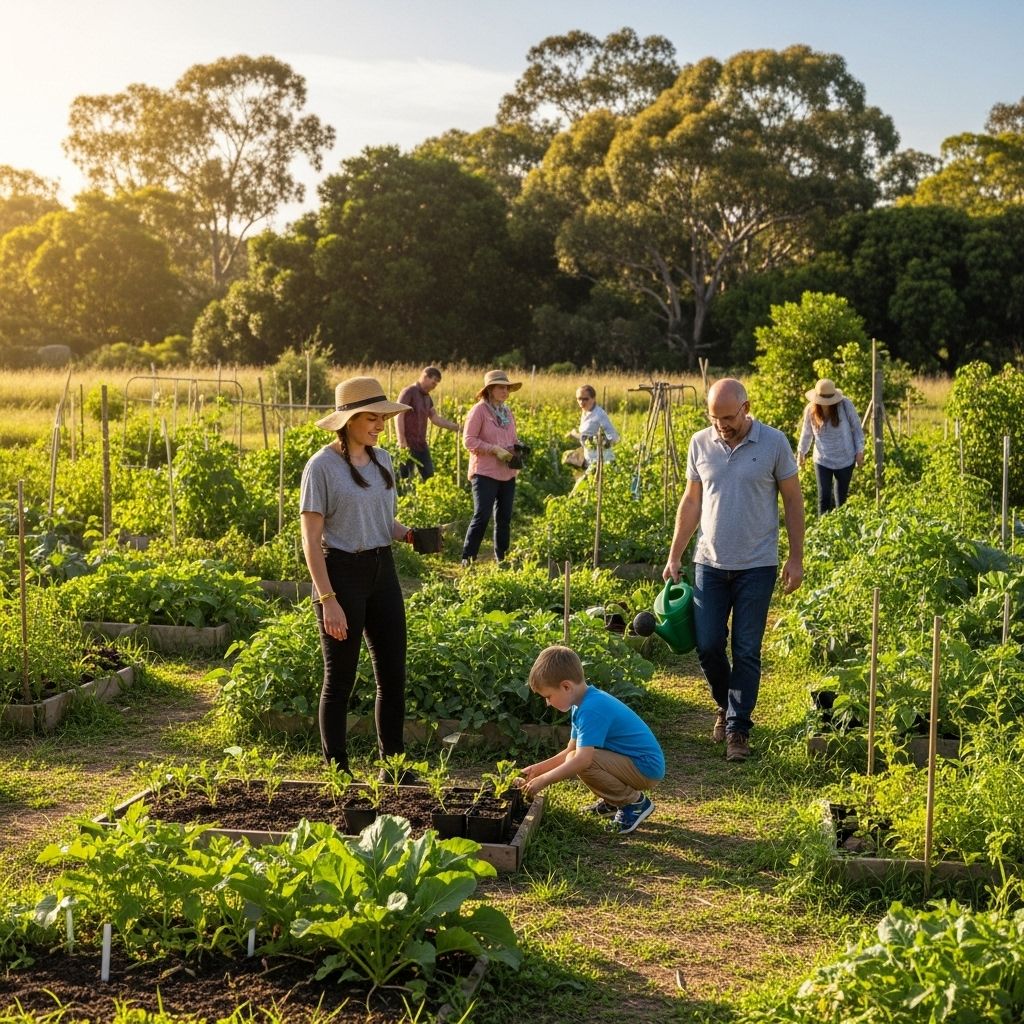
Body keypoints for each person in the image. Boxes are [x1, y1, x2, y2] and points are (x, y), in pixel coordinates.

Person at [663, 378, 804, 763]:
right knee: (708, 645)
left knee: (745, 648)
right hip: (708, 563)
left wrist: (796, 557)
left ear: (746, 408)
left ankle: (738, 728)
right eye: (715, 418)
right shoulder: (700, 443)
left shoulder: (774, 443)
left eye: (728, 417)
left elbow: (793, 501)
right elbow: (691, 501)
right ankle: (726, 705)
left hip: (757, 565)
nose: (721, 425)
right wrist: (675, 555)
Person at [299, 375, 416, 772]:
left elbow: (382, 521)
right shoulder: (321, 467)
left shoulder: (382, 460)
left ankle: (393, 766)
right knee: (340, 680)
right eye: (372, 417)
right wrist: (327, 599)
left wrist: (409, 534)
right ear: (348, 420)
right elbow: (311, 540)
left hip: (383, 571)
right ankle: (339, 771)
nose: (380, 425)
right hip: (341, 575)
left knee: (392, 676)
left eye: (383, 418)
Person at [518, 645, 664, 835]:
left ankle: (633, 803)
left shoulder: (591, 709)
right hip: (633, 763)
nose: (547, 702)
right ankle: (613, 801)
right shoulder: (581, 704)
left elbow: (582, 760)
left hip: (645, 767)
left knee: (582, 761)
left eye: (548, 696)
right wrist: (536, 771)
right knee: (574, 756)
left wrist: (544, 781)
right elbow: (569, 751)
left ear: (566, 687)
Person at [460, 369, 523, 567]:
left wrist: (518, 447)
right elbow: (469, 440)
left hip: (507, 472)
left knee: (504, 517)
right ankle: (468, 558)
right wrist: (493, 449)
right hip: (484, 472)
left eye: (507, 388)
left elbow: (512, 438)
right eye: (501, 388)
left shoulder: (507, 412)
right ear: (489, 390)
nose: (505, 391)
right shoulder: (479, 411)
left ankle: (501, 558)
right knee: (482, 515)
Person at [797, 378, 865, 515]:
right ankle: (823, 527)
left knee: (841, 500)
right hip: (822, 460)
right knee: (824, 498)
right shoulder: (811, 410)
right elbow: (806, 433)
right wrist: (801, 453)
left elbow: (857, 428)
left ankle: (841, 526)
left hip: (845, 459)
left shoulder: (845, 405)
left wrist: (860, 451)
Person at [395, 366, 460, 482]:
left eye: (437, 384)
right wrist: (401, 440)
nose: (434, 386)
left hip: (421, 444)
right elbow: (399, 414)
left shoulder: (427, 398)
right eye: (433, 382)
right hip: (407, 444)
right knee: (405, 478)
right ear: (425, 376)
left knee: (429, 476)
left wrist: (456, 427)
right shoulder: (409, 392)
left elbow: (435, 418)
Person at [570, 384, 619, 470]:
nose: (581, 402)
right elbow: (587, 434)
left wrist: (577, 435)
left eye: (585, 399)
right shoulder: (585, 412)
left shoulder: (599, 414)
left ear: (593, 398)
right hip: (590, 460)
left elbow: (614, 437)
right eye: (579, 399)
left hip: (603, 462)